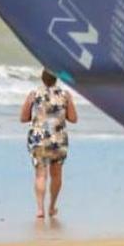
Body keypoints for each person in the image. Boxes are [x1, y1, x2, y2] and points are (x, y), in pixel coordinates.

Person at [20, 69, 78, 220]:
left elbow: (23, 118)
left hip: (38, 139)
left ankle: (40, 209)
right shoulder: (65, 95)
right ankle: (51, 207)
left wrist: (30, 103)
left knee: (40, 175)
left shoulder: (34, 94)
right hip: (58, 140)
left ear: (42, 78)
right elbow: (73, 118)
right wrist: (69, 103)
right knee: (56, 175)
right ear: (56, 79)